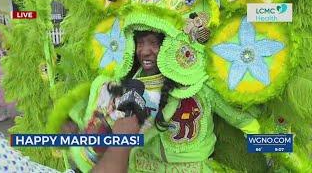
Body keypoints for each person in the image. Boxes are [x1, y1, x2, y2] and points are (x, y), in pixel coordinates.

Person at [60, 30, 259, 173]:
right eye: (140, 43)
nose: (145, 51)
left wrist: (277, 149)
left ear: (171, 46)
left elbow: (243, 121)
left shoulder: (200, 86)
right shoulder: (124, 87)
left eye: (154, 43)